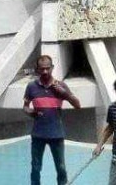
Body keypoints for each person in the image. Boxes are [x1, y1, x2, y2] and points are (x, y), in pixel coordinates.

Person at [24, 54, 81, 185]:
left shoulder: (61, 86)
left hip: (56, 134)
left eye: (47, 68)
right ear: (37, 69)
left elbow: (77, 105)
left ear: (52, 68)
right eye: (42, 69)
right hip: (38, 134)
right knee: (35, 168)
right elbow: (25, 107)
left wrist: (64, 93)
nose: (45, 71)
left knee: (61, 168)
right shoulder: (31, 87)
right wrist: (31, 113)